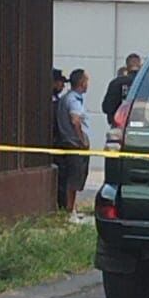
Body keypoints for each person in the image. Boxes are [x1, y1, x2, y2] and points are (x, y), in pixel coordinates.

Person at [57, 69, 91, 221]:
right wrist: (81, 140)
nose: (87, 84)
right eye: (86, 80)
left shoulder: (68, 98)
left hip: (70, 143)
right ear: (81, 82)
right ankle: (70, 212)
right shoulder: (73, 100)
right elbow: (75, 120)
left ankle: (72, 209)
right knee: (74, 179)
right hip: (74, 144)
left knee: (75, 178)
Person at [102, 53, 143, 126]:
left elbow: (106, 107)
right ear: (140, 66)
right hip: (140, 126)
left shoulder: (116, 83)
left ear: (126, 67)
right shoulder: (146, 83)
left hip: (119, 126)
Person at [51, 68, 68, 210]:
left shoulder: (58, 100)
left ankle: (62, 204)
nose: (63, 86)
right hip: (54, 141)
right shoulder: (51, 101)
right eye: (61, 83)